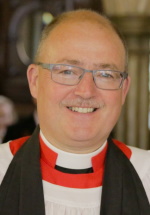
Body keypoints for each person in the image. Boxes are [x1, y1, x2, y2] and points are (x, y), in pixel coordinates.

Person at [0, 9, 149, 215]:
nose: (86, 91)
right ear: (34, 81)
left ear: (124, 90)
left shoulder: (146, 173)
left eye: (106, 74)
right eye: (67, 71)